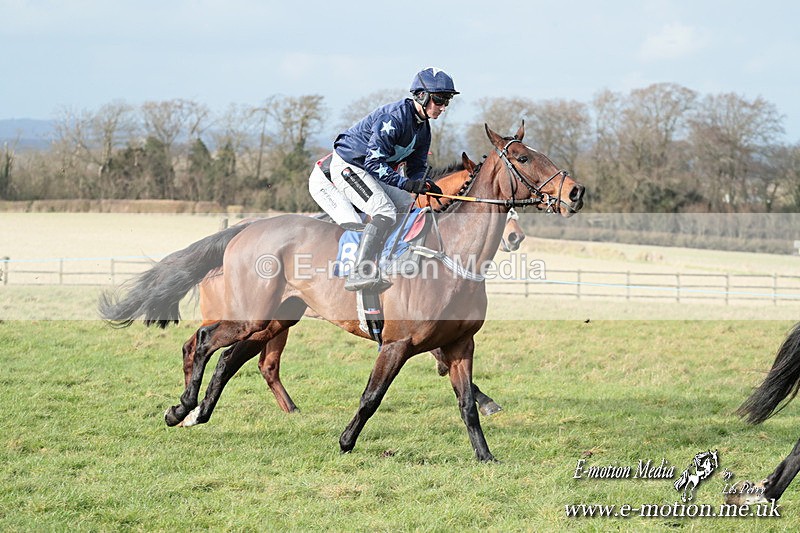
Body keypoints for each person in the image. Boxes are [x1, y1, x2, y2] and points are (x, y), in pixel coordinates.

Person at [309, 67, 458, 292]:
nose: (443, 107)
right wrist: (407, 184)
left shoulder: (423, 129)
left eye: (446, 101)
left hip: (370, 170)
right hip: (350, 166)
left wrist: (424, 183)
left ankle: (389, 257)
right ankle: (359, 271)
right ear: (421, 95)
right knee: (385, 211)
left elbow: (416, 168)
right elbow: (373, 163)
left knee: (408, 206)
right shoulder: (394, 117)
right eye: (439, 100)